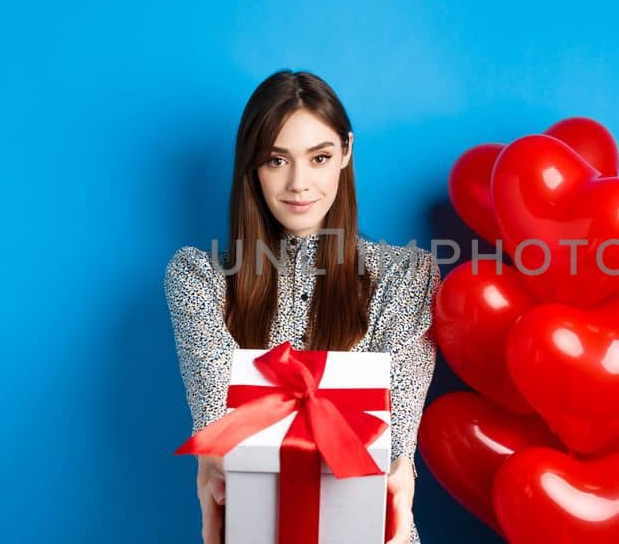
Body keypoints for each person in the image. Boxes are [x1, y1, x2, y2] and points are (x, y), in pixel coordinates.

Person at [163, 69, 438, 544]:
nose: (299, 183)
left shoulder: (405, 276)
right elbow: (219, 427)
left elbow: (393, 438)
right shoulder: (200, 280)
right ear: (251, 164)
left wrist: (399, 470)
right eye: (276, 160)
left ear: (345, 153)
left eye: (320, 157)